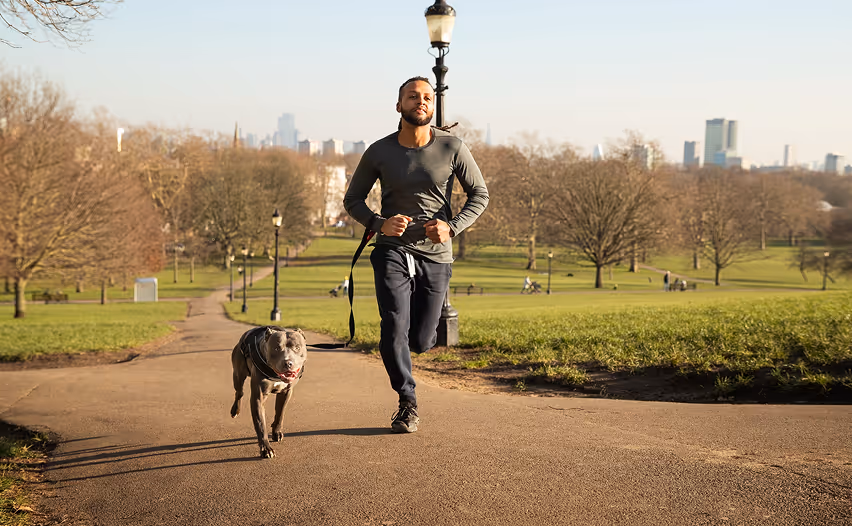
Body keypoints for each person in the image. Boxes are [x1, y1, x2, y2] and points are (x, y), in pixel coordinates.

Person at [343, 76, 489, 433]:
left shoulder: (452, 147)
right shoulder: (379, 151)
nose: (420, 101)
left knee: (422, 340)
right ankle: (407, 401)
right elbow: (353, 199)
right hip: (392, 249)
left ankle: (404, 348)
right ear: (399, 106)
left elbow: (480, 195)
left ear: (432, 106)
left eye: (426, 97)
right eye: (412, 96)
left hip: (436, 254)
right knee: (394, 323)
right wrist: (379, 223)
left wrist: (451, 227)